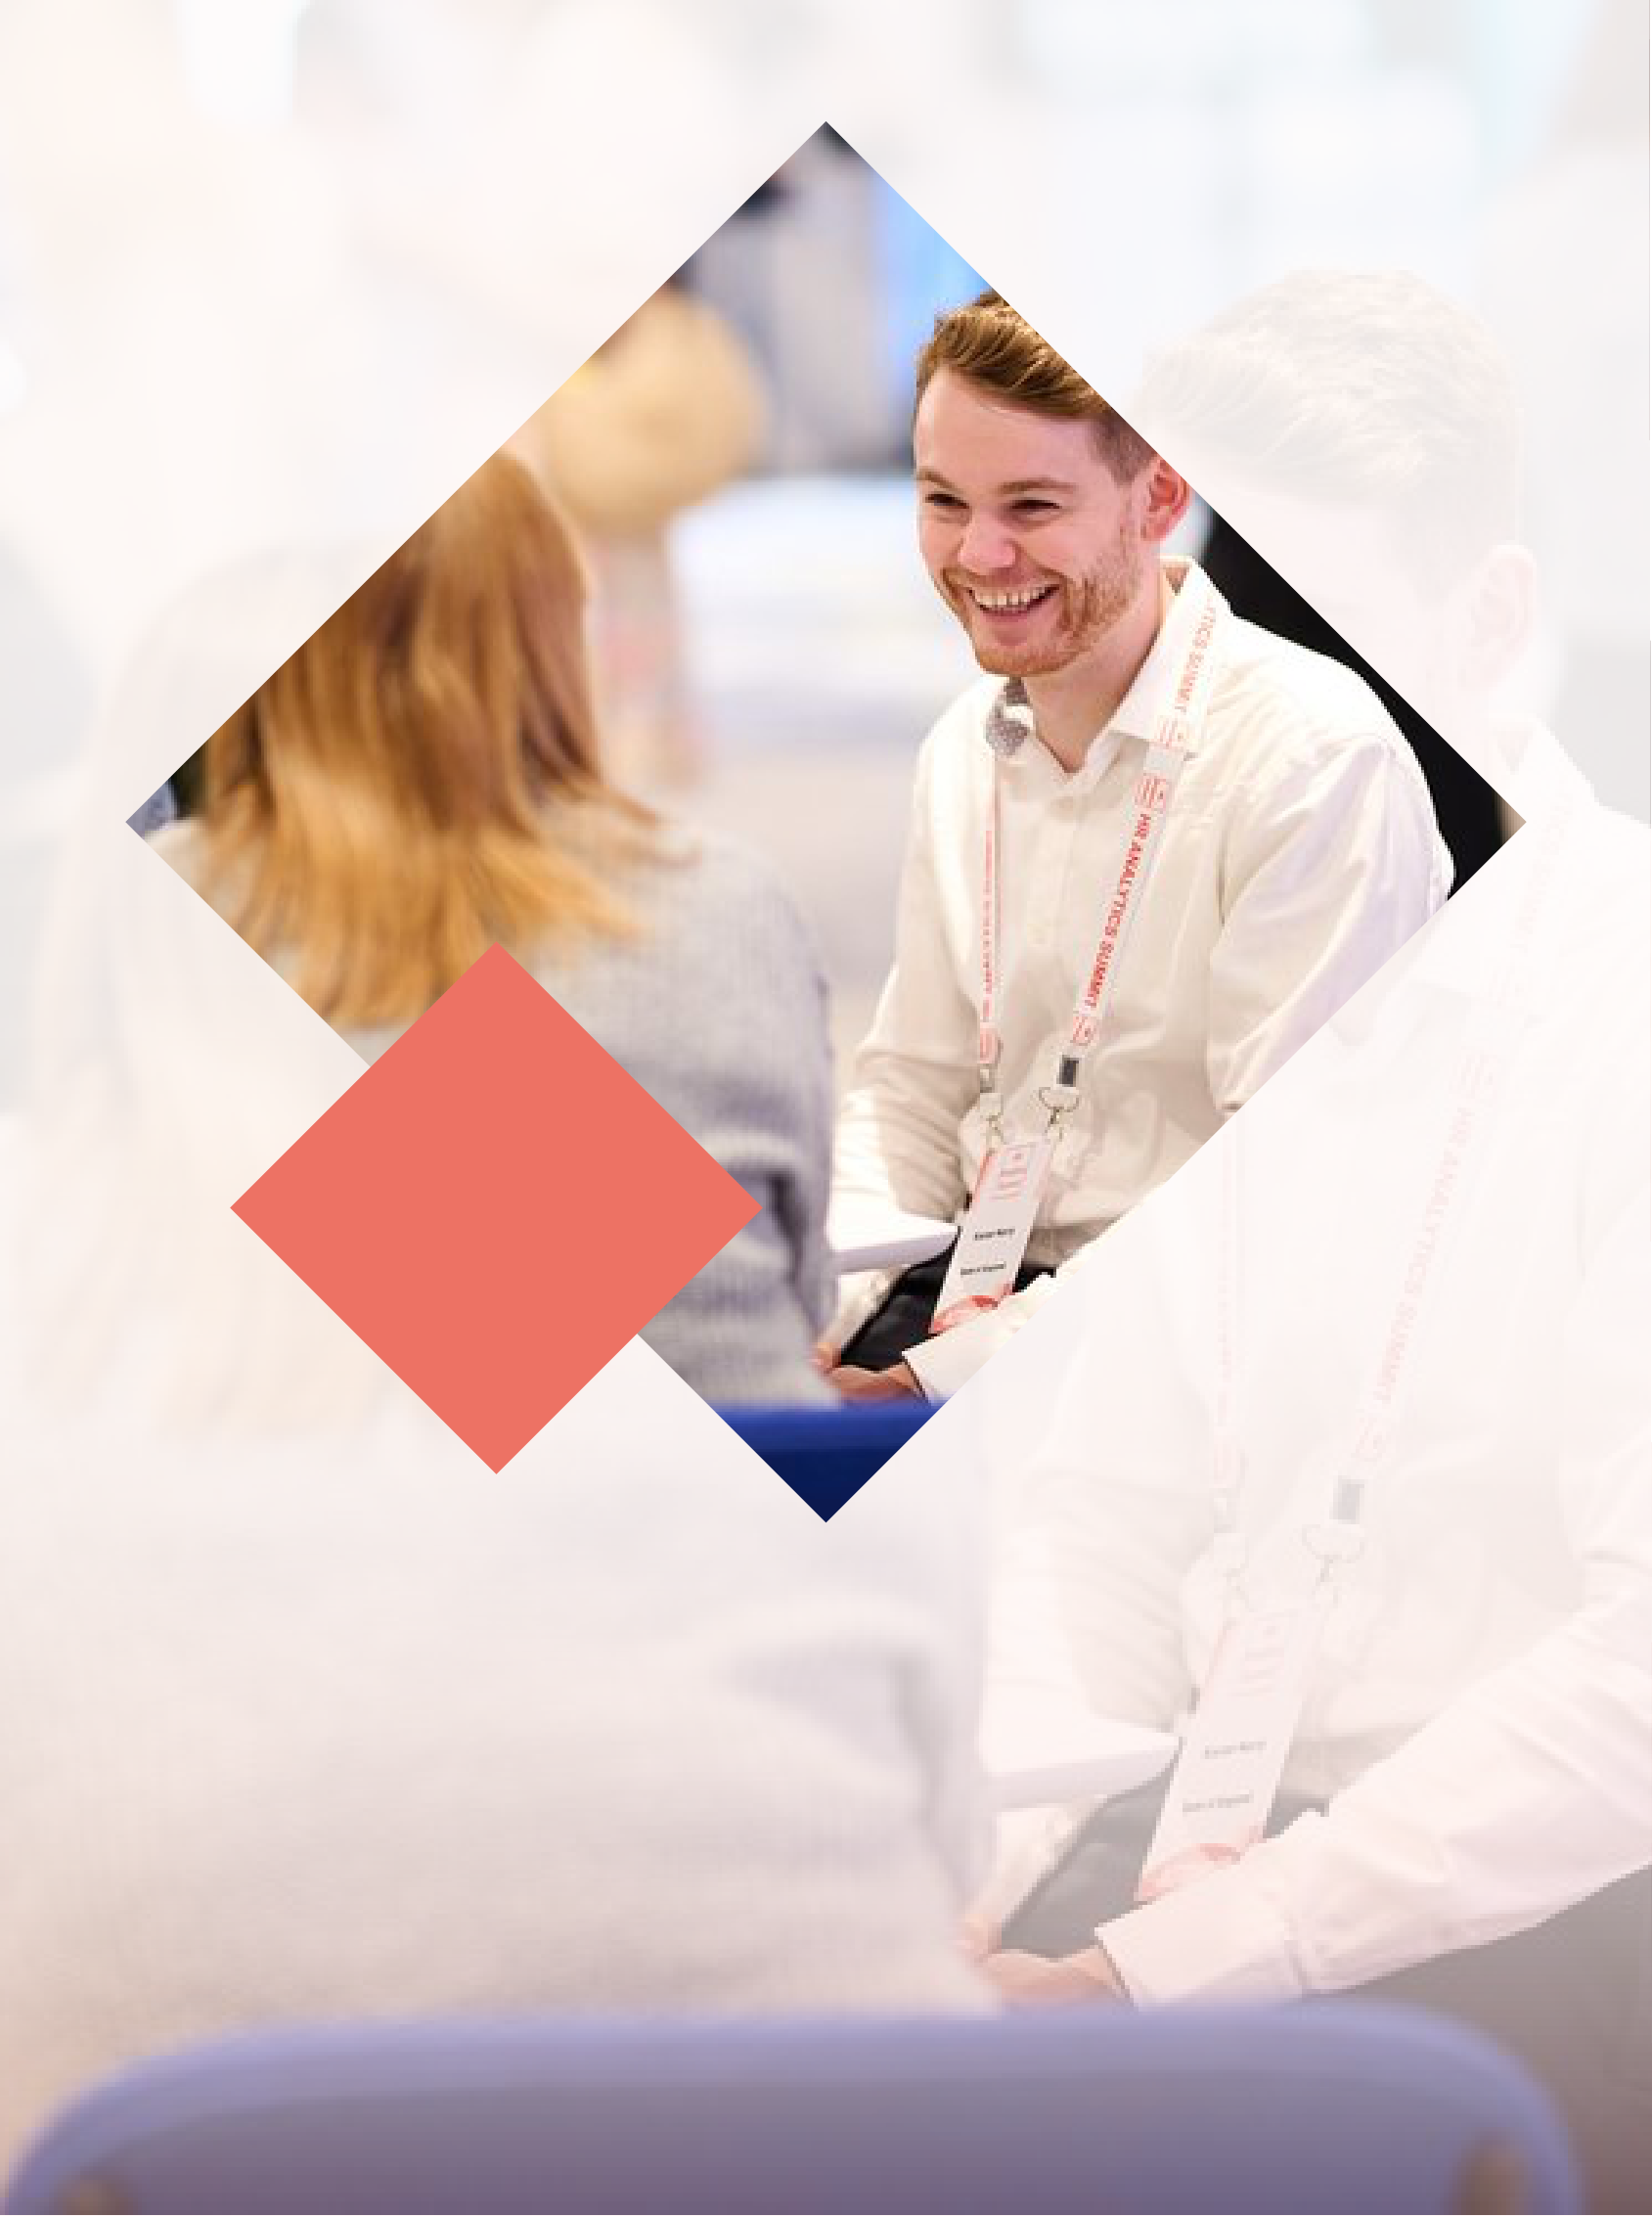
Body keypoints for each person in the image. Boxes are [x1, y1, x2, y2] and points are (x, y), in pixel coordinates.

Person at [972, 270, 1652, 2211]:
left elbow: (1626, 1686)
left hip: (1545, 1897)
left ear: (1488, 627)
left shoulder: (1610, 996)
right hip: (1202, 1844)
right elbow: (1106, 1532)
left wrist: (1142, 1973)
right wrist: (969, 1903)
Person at [821, 292, 1451, 1407]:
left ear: (1161, 493)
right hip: (967, 1295)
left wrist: (936, 1380)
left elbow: (1280, 1211)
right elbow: (911, 1089)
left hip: (1200, 1355)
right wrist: (824, 1323)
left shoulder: (1308, 760)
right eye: (943, 501)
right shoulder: (962, 750)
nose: (979, 553)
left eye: (1031, 503)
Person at [145, 454, 831, 1409]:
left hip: (311, 1514)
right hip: (720, 1519)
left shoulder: (163, 914)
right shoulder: (715, 902)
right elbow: (800, 1300)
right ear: (549, 631)